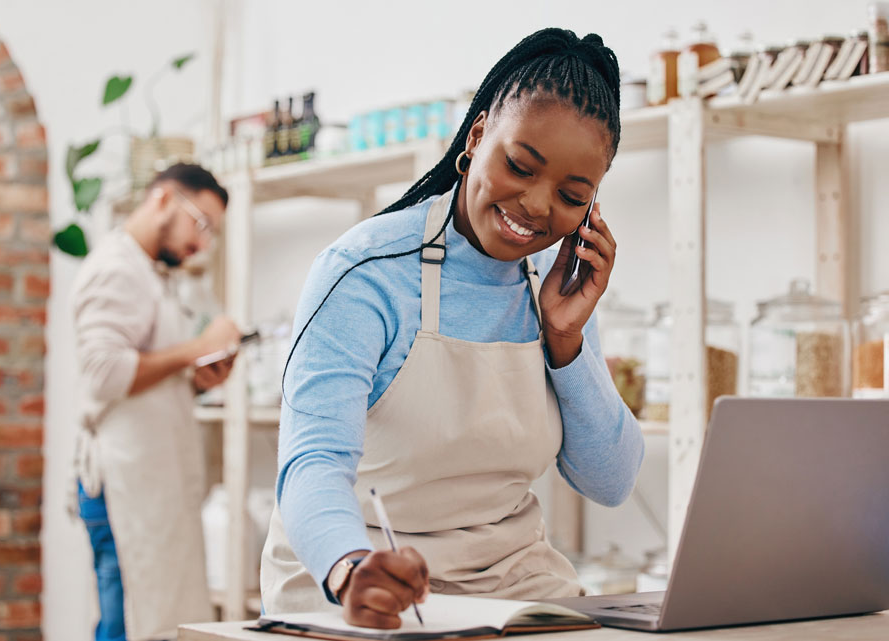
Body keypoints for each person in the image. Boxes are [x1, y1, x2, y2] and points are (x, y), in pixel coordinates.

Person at [260, 28, 645, 628]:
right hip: (366, 574)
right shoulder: (365, 272)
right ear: (476, 136)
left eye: (572, 196)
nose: (539, 207)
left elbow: (612, 481)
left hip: (510, 580)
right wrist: (349, 567)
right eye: (520, 166)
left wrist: (566, 342)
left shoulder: (554, 282)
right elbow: (313, 461)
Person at [71, 164, 242, 641]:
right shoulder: (114, 269)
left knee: (154, 620)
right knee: (124, 622)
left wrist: (199, 378)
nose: (202, 243)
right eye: (201, 224)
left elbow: (145, 375)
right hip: (121, 485)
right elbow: (103, 373)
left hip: (151, 476)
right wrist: (198, 345)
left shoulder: (152, 273)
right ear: (163, 199)